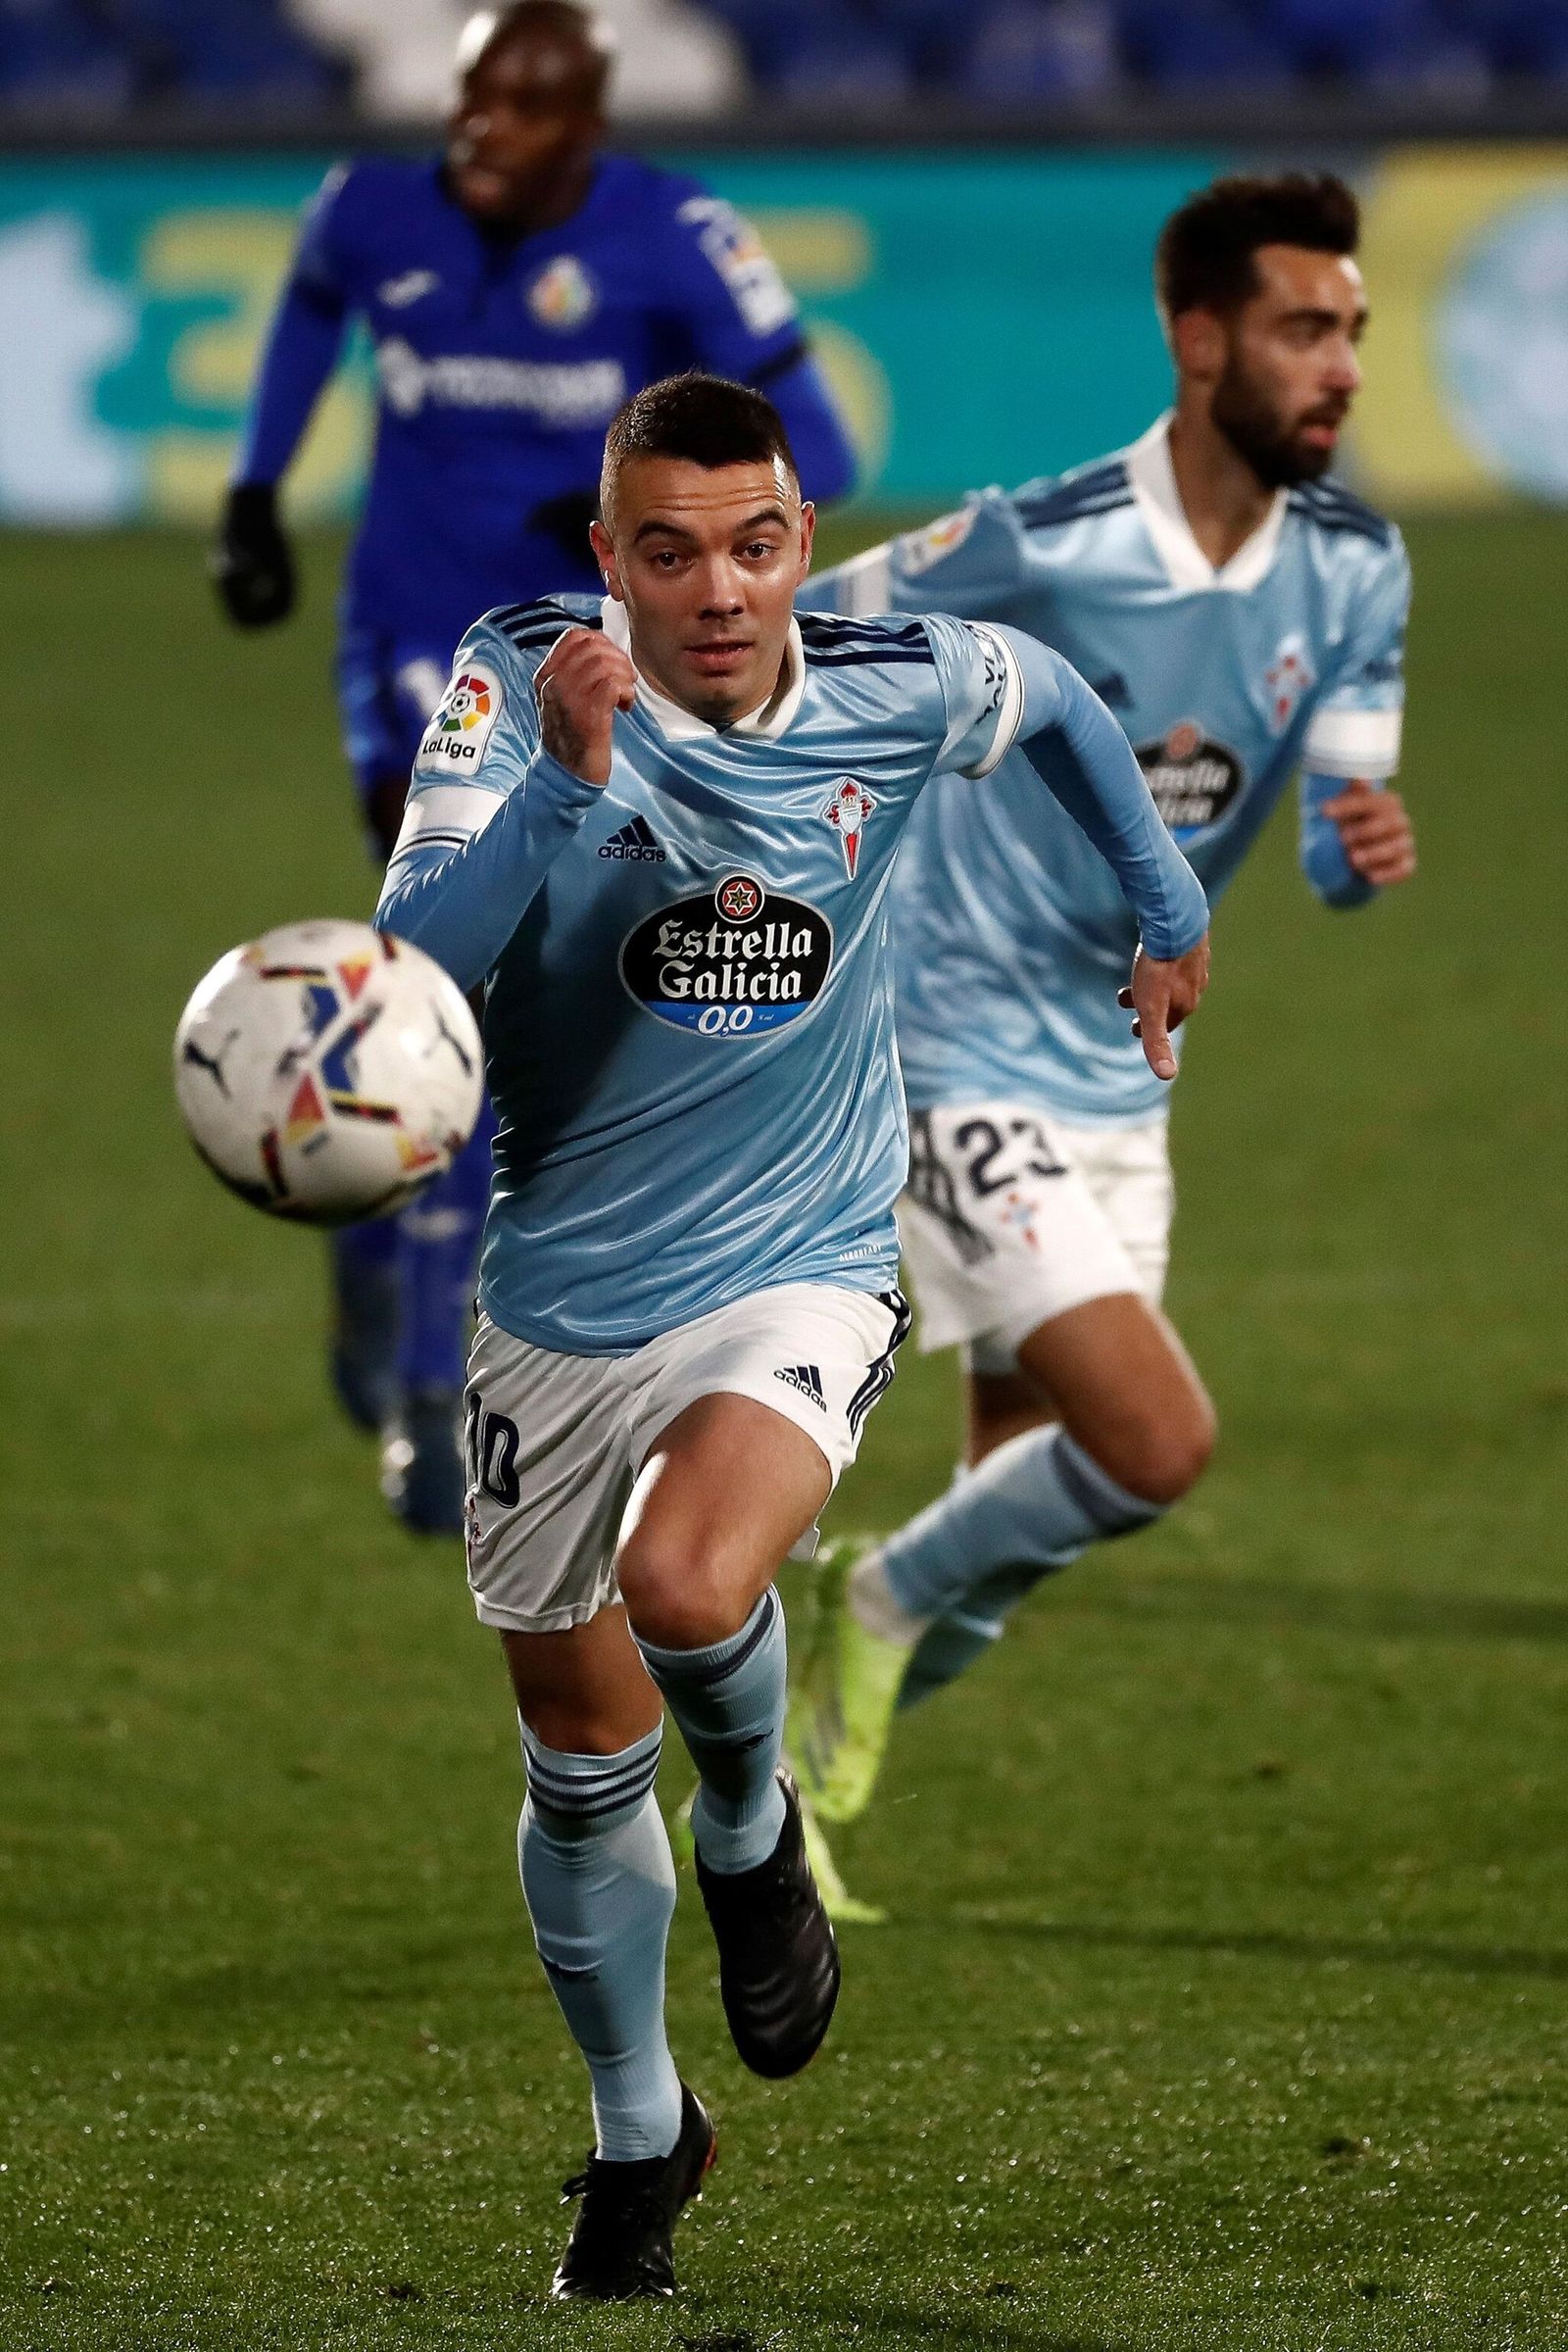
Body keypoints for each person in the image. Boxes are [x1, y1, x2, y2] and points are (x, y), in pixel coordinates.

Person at [372, 371, 1209, 2299]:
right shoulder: (517, 685)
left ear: (798, 543)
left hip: (805, 1258)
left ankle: (751, 1822)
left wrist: (1159, 904)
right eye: (666, 554)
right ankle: (641, 2133)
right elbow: (414, 965)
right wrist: (567, 794)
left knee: (685, 1585)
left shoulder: (894, 679)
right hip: (558, 1294)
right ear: (609, 561)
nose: (719, 591)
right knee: (576, 1763)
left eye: (754, 545)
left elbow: (1067, 705)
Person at [787, 172, 1418, 1846]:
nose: (1342, 365)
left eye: (1351, 329)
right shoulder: (1035, 540)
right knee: (1154, 1442)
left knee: (1023, 1520)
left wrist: (1362, 852)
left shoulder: (1360, 571)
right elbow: (804, 633)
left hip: (1128, 1067)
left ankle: (782, 1804)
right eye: (1305, 329)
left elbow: (1341, 855)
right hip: (942, 1039)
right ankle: (862, 1612)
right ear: (1201, 342)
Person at [212, 0, 857, 1535]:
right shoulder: (372, 211)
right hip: (415, 646)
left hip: (589, 659)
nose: (472, 137)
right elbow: (310, 309)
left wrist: (647, 496)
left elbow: (813, 441)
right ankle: (437, 1391)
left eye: (511, 114)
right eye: (466, 104)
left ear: (583, 126)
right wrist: (252, 489)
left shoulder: (678, 236)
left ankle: (372, 1232)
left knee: (556, 982)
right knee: (456, 956)